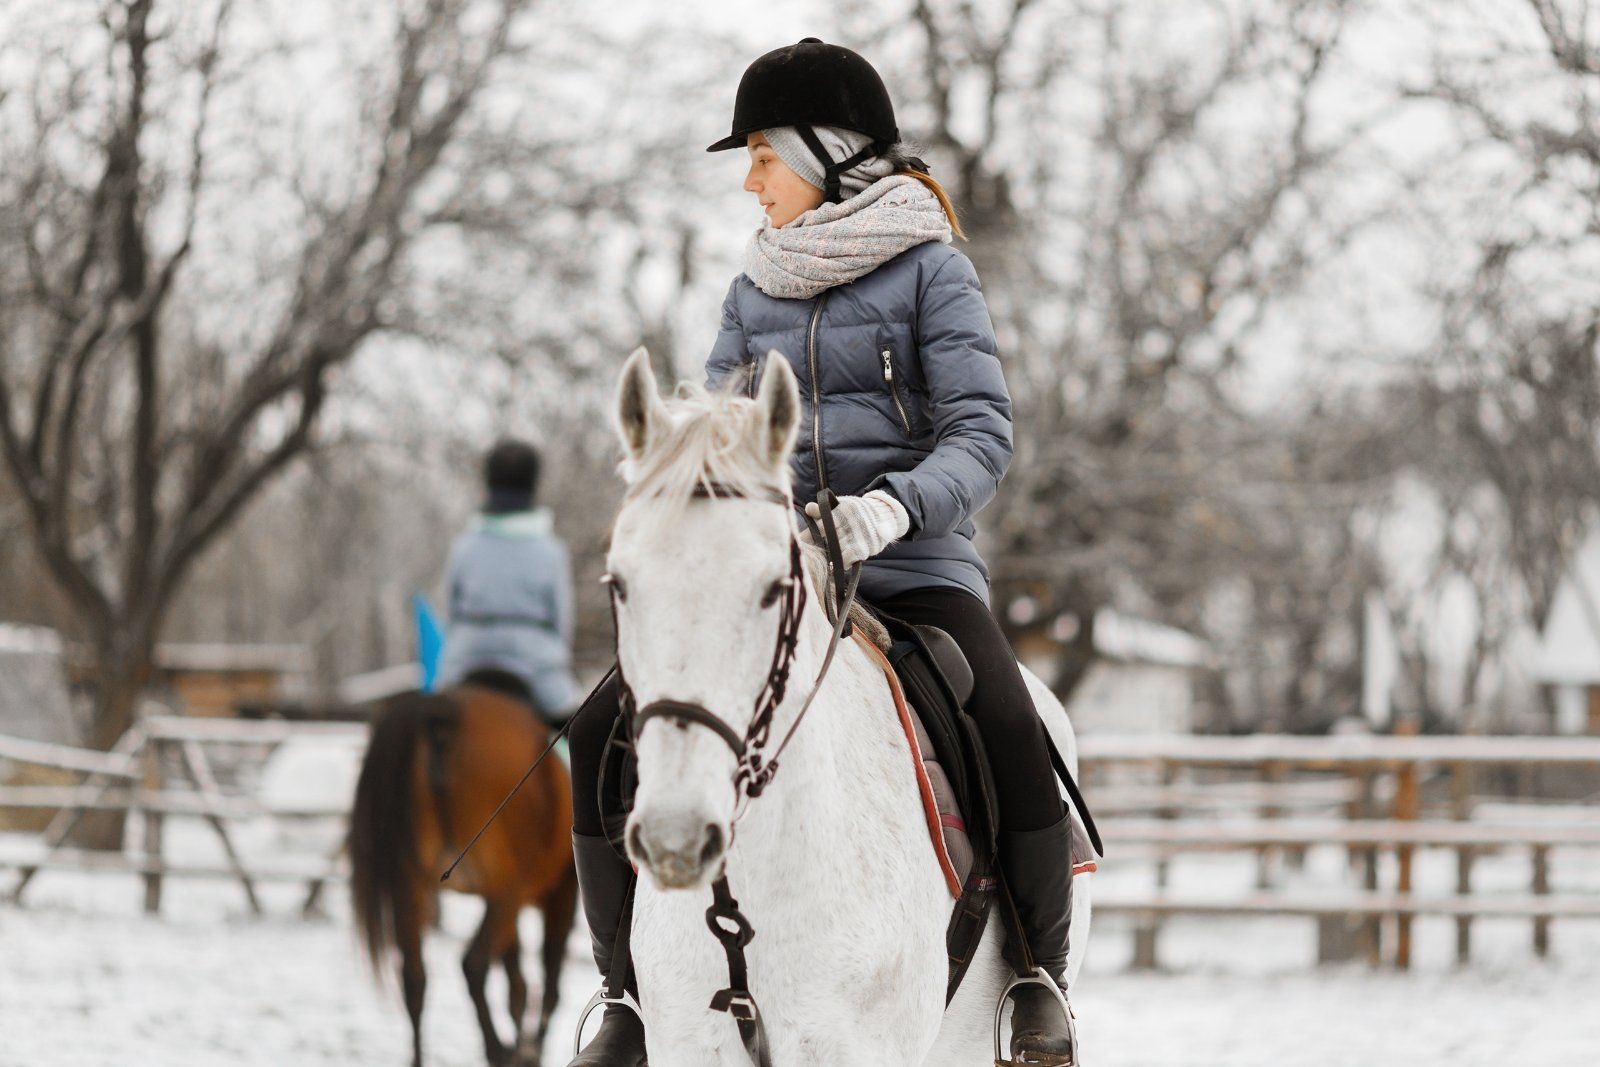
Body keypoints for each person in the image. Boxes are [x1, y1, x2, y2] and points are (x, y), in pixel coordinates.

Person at [566, 38, 1079, 1066]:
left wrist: (891, 512)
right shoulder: (752, 288)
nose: (749, 180)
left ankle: (1034, 974)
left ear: (828, 152)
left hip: (915, 566)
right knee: (594, 728)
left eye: (762, 155)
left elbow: (981, 431)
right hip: (777, 577)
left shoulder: (936, 269)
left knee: (1010, 720)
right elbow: (717, 427)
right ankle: (623, 991)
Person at [437, 439, 580, 723]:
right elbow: (562, 620)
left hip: (466, 656)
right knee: (577, 734)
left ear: (488, 483)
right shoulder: (551, 550)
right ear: (533, 484)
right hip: (535, 663)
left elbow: (447, 610)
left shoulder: (464, 546)